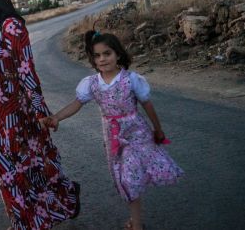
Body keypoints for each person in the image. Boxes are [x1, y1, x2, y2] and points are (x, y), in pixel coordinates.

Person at [41, 30, 183, 230]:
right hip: (113, 137)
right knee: (122, 179)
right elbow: (77, 103)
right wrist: (56, 117)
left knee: (129, 178)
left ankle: (137, 224)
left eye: (107, 53)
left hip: (136, 134)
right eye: (97, 55)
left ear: (118, 54)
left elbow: (147, 104)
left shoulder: (131, 79)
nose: (102, 59)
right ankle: (135, 220)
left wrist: (157, 130)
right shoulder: (91, 84)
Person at [0, 0, 80, 230]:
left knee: (30, 170)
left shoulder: (12, 26)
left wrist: (41, 111)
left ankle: (56, 206)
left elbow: (26, 71)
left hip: (19, 115)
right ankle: (21, 219)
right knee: (7, 174)